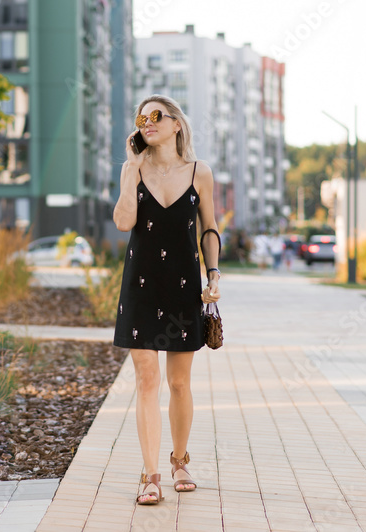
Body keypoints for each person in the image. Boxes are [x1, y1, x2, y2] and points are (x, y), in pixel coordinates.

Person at [112, 94, 220, 505]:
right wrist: (130, 174)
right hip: (140, 285)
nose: (147, 122)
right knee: (147, 380)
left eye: (156, 115)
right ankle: (151, 474)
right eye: (142, 118)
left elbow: (209, 229)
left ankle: (179, 460)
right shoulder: (133, 171)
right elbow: (124, 222)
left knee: (178, 382)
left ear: (177, 124)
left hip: (182, 287)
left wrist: (213, 274)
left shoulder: (200, 173)